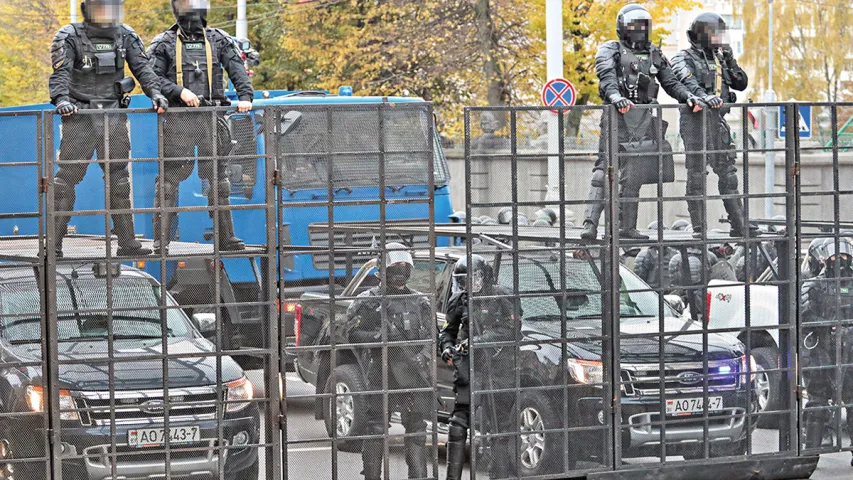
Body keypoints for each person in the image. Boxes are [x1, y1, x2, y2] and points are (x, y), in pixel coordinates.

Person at [49, 0, 168, 257]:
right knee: (65, 181)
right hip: (80, 117)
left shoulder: (125, 34)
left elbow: (143, 70)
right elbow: (60, 75)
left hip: (113, 118)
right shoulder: (68, 35)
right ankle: (53, 245)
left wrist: (156, 94)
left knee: (119, 180)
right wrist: (62, 100)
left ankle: (127, 244)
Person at [580, 4, 704, 241]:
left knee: (633, 174)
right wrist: (616, 98)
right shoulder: (610, 49)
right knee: (604, 168)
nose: (639, 31)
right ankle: (590, 224)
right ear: (623, 27)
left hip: (645, 119)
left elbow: (671, 83)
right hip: (617, 118)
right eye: (634, 26)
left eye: (643, 26)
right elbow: (606, 77)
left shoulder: (654, 53)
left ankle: (626, 228)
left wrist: (688, 97)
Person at [147, 0, 254, 254]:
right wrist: (179, 91)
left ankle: (226, 237)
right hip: (178, 119)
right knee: (168, 182)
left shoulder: (219, 39)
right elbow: (151, 77)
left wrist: (246, 97)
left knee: (219, 179)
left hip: (211, 117)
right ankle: (161, 242)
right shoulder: (164, 42)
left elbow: (237, 69)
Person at [344, 243, 433, 479]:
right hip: (382, 372)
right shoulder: (368, 301)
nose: (400, 270)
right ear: (383, 269)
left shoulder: (420, 300)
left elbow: (432, 336)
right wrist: (377, 338)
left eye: (404, 264)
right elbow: (351, 333)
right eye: (395, 265)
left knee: (416, 431)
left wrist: (423, 356)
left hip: (414, 375)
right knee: (376, 429)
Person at [671, 12, 756, 238]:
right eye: (715, 34)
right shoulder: (683, 58)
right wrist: (704, 97)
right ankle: (699, 228)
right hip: (695, 121)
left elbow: (740, 83)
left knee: (728, 174)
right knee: (697, 175)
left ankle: (739, 224)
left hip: (718, 121)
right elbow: (686, 81)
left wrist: (729, 58)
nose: (719, 38)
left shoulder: (720, 59)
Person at [439, 255, 520, 479]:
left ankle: (500, 475)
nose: (468, 285)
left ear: (484, 276)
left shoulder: (502, 297)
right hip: (470, 367)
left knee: (500, 424)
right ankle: (452, 476)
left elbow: (512, 331)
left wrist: (477, 342)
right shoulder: (459, 301)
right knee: (459, 420)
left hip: (499, 366)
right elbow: (447, 331)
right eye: (463, 281)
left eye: (471, 279)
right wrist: (446, 347)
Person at [800, 237, 853, 461]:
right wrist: (827, 325)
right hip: (822, 349)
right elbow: (805, 315)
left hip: (849, 349)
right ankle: (811, 454)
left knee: (851, 400)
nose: (839, 261)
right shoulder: (814, 284)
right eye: (835, 256)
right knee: (817, 402)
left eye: (843, 256)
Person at [669, 245, 718, 320]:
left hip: (690, 293)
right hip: (696, 294)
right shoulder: (710, 256)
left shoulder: (675, 258)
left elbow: (673, 279)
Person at [634, 221, 675, 291]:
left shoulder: (674, 254)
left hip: (672, 294)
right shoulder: (645, 255)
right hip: (651, 295)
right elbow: (638, 283)